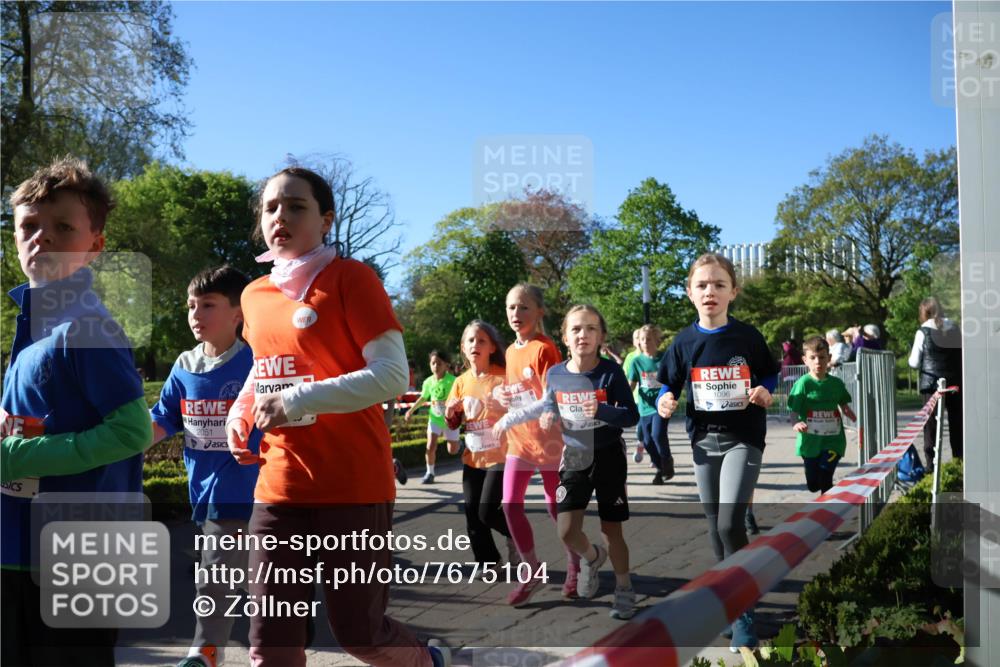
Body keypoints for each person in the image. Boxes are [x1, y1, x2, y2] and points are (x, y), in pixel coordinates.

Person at [224, 166, 449, 667]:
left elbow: (391, 377)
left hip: (352, 485)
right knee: (270, 646)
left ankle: (431, 662)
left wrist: (299, 400)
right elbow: (263, 371)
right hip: (278, 489)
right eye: (270, 208)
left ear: (326, 219)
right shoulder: (254, 295)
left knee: (359, 636)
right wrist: (240, 412)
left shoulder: (352, 278)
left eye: (296, 206)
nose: (280, 216)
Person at [1, 158, 152, 664]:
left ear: (96, 244)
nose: (41, 237)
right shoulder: (34, 327)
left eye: (63, 226)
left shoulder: (87, 327)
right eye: (28, 226)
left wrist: (17, 457)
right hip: (18, 549)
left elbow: (132, 432)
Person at [656, 252, 779, 653]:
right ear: (690, 293)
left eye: (719, 285)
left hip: (744, 438)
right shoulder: (683, 342)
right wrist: (664, 401)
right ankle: (730, 602)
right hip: (702, 442)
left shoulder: (747, 336)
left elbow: (770, 371)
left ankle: (744, 617)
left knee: (730, 524)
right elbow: (668, 384)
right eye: (702, 285)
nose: (711, 291)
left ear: (733, 292)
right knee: (715, 530)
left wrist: (767, 390)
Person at [149, 266, 260, 667]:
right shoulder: (184, 366)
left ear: (237, 314)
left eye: (208, 305)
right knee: (244, 582)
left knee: (214, 579)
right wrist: (116, 444)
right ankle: (292, 635)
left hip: (248, 492)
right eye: (191, 306)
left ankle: (203, 655)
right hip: (204, 495)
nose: (196, 314)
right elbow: (162, 420)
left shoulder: (256, 363)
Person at [498, 305, 640, 618]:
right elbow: (549, 404)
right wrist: (549, 414)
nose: (583, 335)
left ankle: (624, 589)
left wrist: (600, 411)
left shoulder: (610, 373)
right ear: (565, 336)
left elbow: (630, 415)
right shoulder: (557, 374)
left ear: (601, 336)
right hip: (574, 456)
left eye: (591, 329)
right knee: (566, 531)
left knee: (611, 530)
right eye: (576, 329)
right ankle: (591, 557)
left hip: (608, 456)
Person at [491, 283, 579, 606]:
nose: (516, 313)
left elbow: (547, 398)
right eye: (512, 307)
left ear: (539, 312)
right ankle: (533, 570)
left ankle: (575, 563)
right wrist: (500, 395)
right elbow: (516, 391)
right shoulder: (511, 351)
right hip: (520, 443)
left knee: (556, 508)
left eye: (524, 307)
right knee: (510, 504)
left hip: (550, 442)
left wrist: (514, 417)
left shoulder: (545, 349)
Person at [444, 320, 514, 564]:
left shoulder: (504, 377)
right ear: (463, 348)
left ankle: (517, 536)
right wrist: (451, 412)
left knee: (487, 512)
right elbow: (453, 423)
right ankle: (488, 561)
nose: (476, 344)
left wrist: (506, 406)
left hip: (501, 457)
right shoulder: (460, 382)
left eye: (482, 340)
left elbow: (521, 410)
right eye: (471, 340)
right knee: (473, 514)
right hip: (473, 457)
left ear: (492, 347)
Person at [788, 336, 856, 495]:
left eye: (822, 357)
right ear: (805, 360)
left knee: (826, 476)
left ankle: (828, 512)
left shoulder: (836, 384)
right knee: (813, 485)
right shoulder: (803, 384)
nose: (818, 362)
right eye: (813, 358)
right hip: (810, 442)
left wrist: (848, 411)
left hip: (833, 440)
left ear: (829, 358)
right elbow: (794, 411)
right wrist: (795, 423)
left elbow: (843, 403)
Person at [908, 297, 962, 472]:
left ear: (924, 312)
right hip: (955, 383)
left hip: (931, 384)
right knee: (957, 425)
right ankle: (958, 464)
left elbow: (914, 362)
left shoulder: (922, 331)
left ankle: (931, 468)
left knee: (930, 428)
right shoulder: (955, 328)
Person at [627, 324, 674, 483]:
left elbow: (673, 380)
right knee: (646, 441)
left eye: (648, 339)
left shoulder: (665, 358)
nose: (645, 342)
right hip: (644, 408)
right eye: (642, 339)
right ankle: (660, 468)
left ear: (656, 340)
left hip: (661, 405)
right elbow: (631, 385)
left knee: (657, 434)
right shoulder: (636, 362)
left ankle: (667, 461)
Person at [404, 350, 459, 484]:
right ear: (430, 364)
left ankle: (459, 443)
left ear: (446, 365)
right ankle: (430, 473)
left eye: (439, 363)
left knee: (452, 451)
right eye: (433, 363)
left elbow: (461, 397)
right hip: (434, 418)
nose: (436, 366)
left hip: (451, 420)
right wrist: (410, 410)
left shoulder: (453, 381)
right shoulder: (428, 382)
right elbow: (423, 398)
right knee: (430, 445)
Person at [621, 329, 644, 463]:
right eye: (636, 338)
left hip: (651, 400)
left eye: (640, 337)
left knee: (648, 428)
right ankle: (641, 443)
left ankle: (647, 448)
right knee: (641, 426)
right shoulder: (630, 357)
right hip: (635, 397)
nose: (639, 341)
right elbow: (625, 376)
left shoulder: (654, 356)